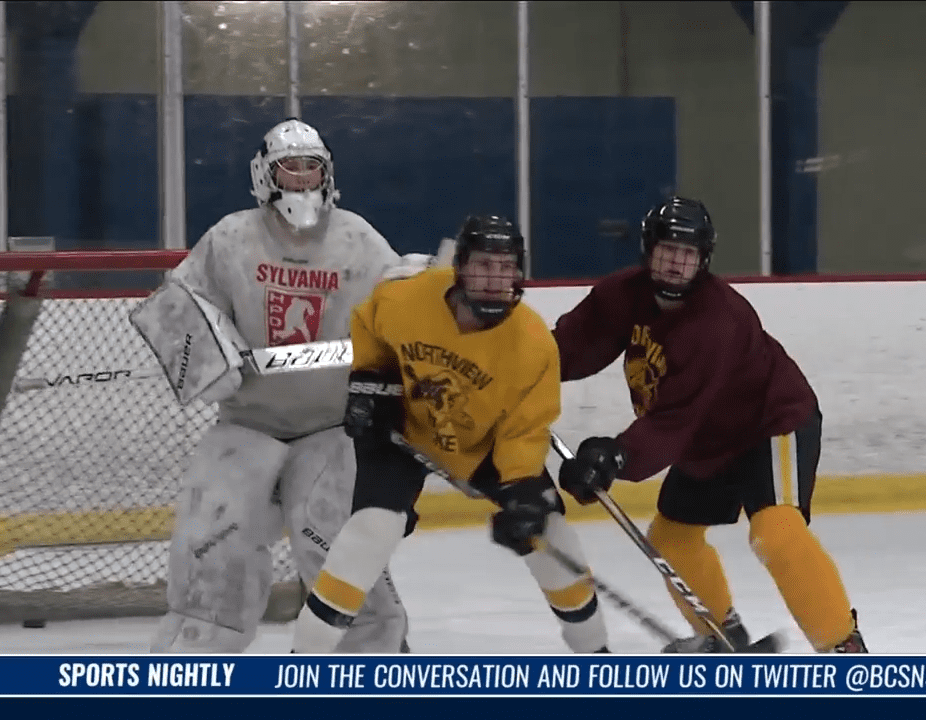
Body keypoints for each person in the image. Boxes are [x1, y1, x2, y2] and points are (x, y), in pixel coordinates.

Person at [134, 118, 434, 653]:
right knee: (211, 547)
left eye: (310, 167)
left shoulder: (356, 239)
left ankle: (373, 660)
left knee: (337, 548)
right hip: (246, 424)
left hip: (330, 429)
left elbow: (396, 312)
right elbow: (179, 305)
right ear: (265, 174)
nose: (300, 179)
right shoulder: (231, 237)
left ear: (328, 174)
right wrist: (208, 357)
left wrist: (421, 289)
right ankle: (194, 668)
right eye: (288, 168)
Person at [549, 196, 868, 654]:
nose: (678, 263)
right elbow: (568, 349)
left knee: (776, 534)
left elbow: (674, 419)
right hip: (706, 437)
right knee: (672, 539)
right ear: (648, 249)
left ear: (704, 259)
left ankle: (845, 651)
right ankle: (723, 635)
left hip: (769, 423)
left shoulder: (717, 320)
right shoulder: (623, 295)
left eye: (689, 253)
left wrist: (615, 457)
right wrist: (516, 371)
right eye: (668, 249)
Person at [289, 215, 611, 655]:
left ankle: (597, 660)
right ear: (459, 267)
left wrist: (521, 494)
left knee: (552, 537)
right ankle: (300, 664)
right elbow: (368, 325)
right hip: (405, 431)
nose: (495, 278)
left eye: (506, 267)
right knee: (370, 532)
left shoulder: (534, 343)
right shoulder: (407, 299)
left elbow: (525, 430)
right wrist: (371, 381)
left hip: (484, 449)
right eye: (484, 265)